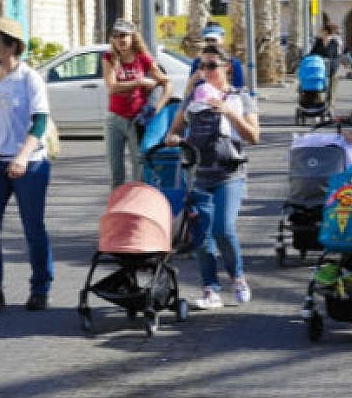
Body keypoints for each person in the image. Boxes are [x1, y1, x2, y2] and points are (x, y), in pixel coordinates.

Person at [0, 17, 55, 312]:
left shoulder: (29, 79)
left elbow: (40, 121)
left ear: (12, 46)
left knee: (33, 228)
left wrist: (22, 156)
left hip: (28, 165)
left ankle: (40, 288)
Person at [164, 45, 259, 309]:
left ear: (227, 67)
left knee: (223, 230)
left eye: (211, 66)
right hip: (199, 175)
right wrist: (174, 139)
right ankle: (210, 290)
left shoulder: (241, 97)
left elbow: (254, 136)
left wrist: (229, 112)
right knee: (202, 236)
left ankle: (237, 277)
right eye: (201, 66)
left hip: (230, 174)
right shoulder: (193, 98)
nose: (205, 71)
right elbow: (174, 131)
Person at [104, 19, 171, 189]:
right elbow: (112, 87)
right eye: (116, 36)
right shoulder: (109, 58)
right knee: (116, 171)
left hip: (137, 120)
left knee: (139, 169)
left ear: (132, 36)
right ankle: (118, 203)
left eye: (123, 35)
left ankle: (137, 202)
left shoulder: (143, 58)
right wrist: (139, 82)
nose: (120, 40)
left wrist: (157, 108)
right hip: (115, 119)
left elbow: (166, 83)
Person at [189, 25, 245, 90]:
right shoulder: (197, 62)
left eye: (213, 40)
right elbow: (191, 90)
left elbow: (238, 87)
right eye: (207, 40)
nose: (210, 43)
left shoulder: (234, 63)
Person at [309, 23, 343, 105]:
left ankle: (330, 107)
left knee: (331, 90)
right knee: (319, 88)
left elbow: (332, 55)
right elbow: (312, 53)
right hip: (320, 68)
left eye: (321, 31)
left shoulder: (334, 42)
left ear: (326, 32)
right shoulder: (318, 41)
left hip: (333, 68)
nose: (319, 33)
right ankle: (320, 106)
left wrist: (326, 59)